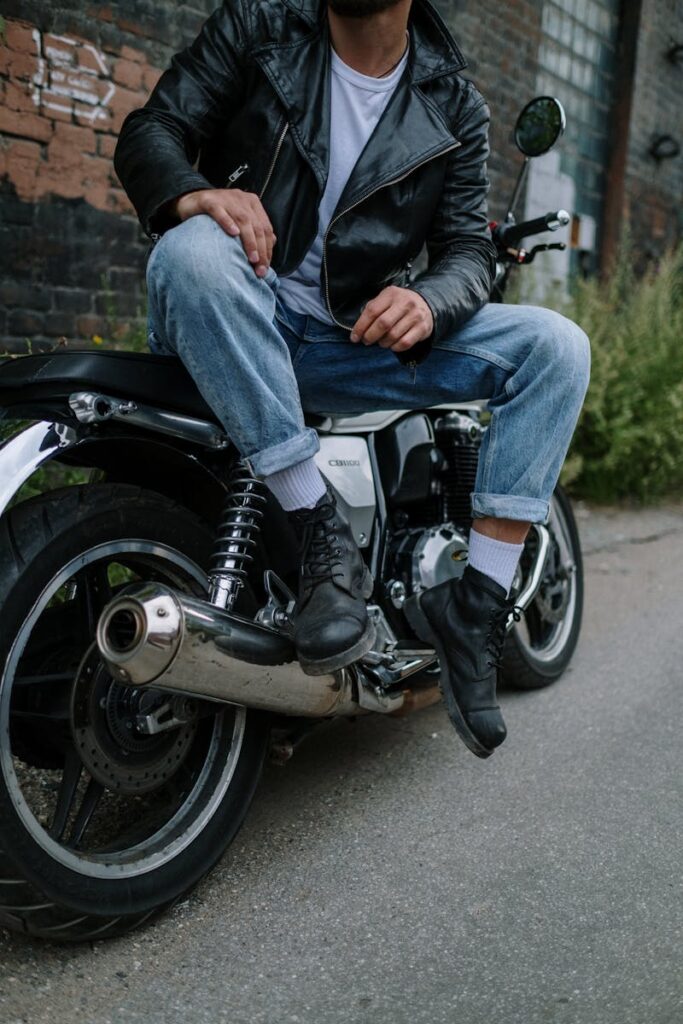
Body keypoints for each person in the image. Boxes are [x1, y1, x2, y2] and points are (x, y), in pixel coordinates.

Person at [115, 0, 590, 758]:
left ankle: (474, 607)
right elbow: (153, 129)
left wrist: (429, 300)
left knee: (556, 348)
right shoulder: (259, 25)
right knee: (193, 250)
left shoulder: (452, 102)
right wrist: (194, 194)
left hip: (346, 340)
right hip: (233, 315)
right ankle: (318, 530)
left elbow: (469, 247)